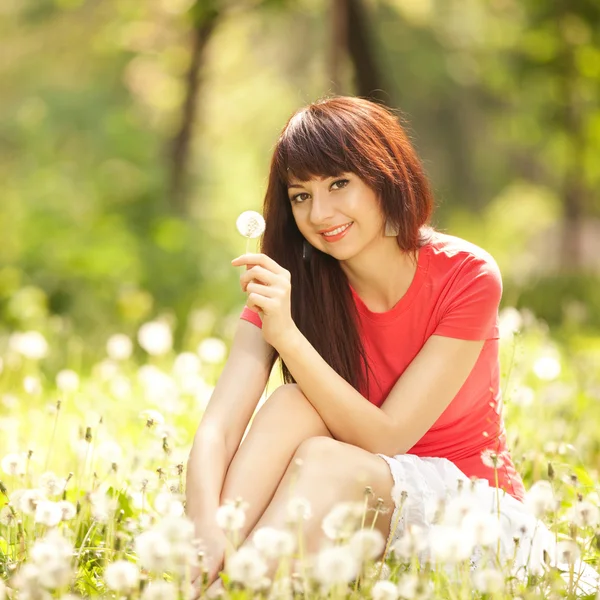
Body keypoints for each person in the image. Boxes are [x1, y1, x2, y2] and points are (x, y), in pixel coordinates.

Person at [185, 96, 598, 595]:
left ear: (384, 176)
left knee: (323, 458)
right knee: (293, 404)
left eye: (340, 184)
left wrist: (287, 337)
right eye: (301, 196)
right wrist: (206, 528)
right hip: (347, 505)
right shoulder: (288, 287)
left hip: (469, 515)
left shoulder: (466, 275)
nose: (321, 212)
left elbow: (388, 440)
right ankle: (209, 578)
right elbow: (218, 431)